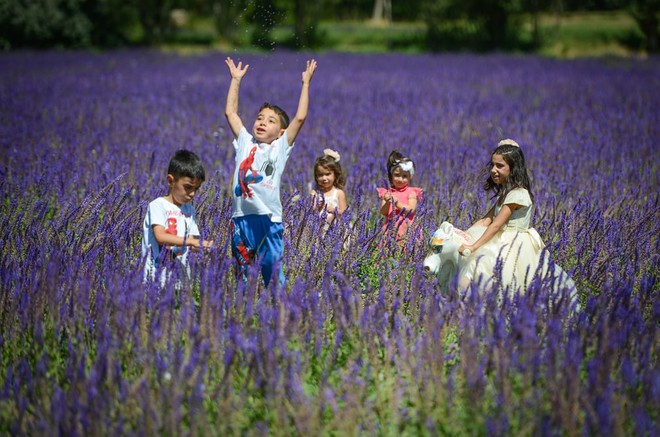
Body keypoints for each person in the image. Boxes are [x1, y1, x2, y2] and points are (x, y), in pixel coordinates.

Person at [224, 57, 317, 286]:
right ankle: (242, 314)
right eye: (259, 118)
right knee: (242, 277)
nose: (262, 122)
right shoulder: (246, 142)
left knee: (273, 274)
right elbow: (231, 114)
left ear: (281, 132)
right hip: (242, 219)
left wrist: (305, 84)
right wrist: (235, 80)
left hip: (269, 220)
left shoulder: (279, 147)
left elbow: (301, 117)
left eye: (271, 120)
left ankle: (281, 314)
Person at [457, 139, 561, 292]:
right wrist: (463, 234)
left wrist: (473, 247)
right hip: (501, 239)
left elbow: (496, 225)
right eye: (492, 165)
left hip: (514, 245)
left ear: (513, 169)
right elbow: (486, 220)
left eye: (500, 166)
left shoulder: (518, 194)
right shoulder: (507, 194)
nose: (493, 170)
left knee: (508, 282)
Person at [142, 149, 213, 284]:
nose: (192, 194)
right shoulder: (158, 205)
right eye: (188, 187)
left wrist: (207, 246)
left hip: (180, 280)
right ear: (171, 181)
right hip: (155, 279)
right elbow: (160, 237)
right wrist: (191, 242)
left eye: (196, 189)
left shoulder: (189, 209)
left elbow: (191, 242)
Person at [376, 150, 423, 242]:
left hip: (406, 229)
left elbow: (411, 210)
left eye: (404, 176)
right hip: (390, 228)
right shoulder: (387, 192)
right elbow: (383, 212)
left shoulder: (411, 192)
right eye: (397, 175)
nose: (400, 179)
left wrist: (397, 203)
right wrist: (387, 203)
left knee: (406, 250)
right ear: (391, 176)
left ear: (410, 177)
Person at [310, 148, 348, 224]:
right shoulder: (315, 193)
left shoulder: (339, 193)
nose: (324, 178)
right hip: (318, 229)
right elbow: (310, 211)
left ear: (335, 175)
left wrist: (335, 211)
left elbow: (345, 213)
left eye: (327, 174)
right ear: (316, 177)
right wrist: (317, 207)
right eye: (320, 175)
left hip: (336, 229)